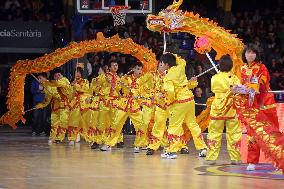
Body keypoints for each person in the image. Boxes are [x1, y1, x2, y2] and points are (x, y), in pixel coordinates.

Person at [239, 44, 280, 171]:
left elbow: (262, 83)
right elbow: (243, 85)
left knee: (272, 134)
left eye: (252, 53)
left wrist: (251, 88)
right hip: (251, 106)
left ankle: (277, 160)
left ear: (256, 54)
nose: (250, 55)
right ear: (244, 55)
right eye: (248, 52)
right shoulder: (242, 69)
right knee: (253, 134)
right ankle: (252, 161)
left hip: (265, 105)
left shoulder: (262, 67)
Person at [160, 53, 207, 159]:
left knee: (174, 126)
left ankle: (172, 151)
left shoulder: (168, 77)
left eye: (162, 63)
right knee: (192, 124)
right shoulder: (180, 66)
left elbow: (170, 92)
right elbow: (181, 59)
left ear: (167, 64)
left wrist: (169, 101)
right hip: (190, 99)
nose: (161, 65)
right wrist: (169, 55)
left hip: (179, 102)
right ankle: (202, 148)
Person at [205, 55, 242, 165]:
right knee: (234, 133)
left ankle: (211, 158)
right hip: (231, 108)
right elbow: (239, 90)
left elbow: (212, 89)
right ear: (231, 66)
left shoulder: (214, 78)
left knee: (214, 132)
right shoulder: (234, 78)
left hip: (217, 108)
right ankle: (235, 158)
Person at [102, 62, 144, 153]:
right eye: (137, 68)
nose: (139, 71)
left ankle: (139, 145)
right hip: (123, 104)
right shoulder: (125, 78)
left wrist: (138, 95)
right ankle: (109, 143)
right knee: (116, 123)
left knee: (141, 123)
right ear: (133, 69)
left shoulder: (142, 80)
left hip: (134, 105)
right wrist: (112, 82)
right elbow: (117, 86)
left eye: (141, 69)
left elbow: (143, 92)